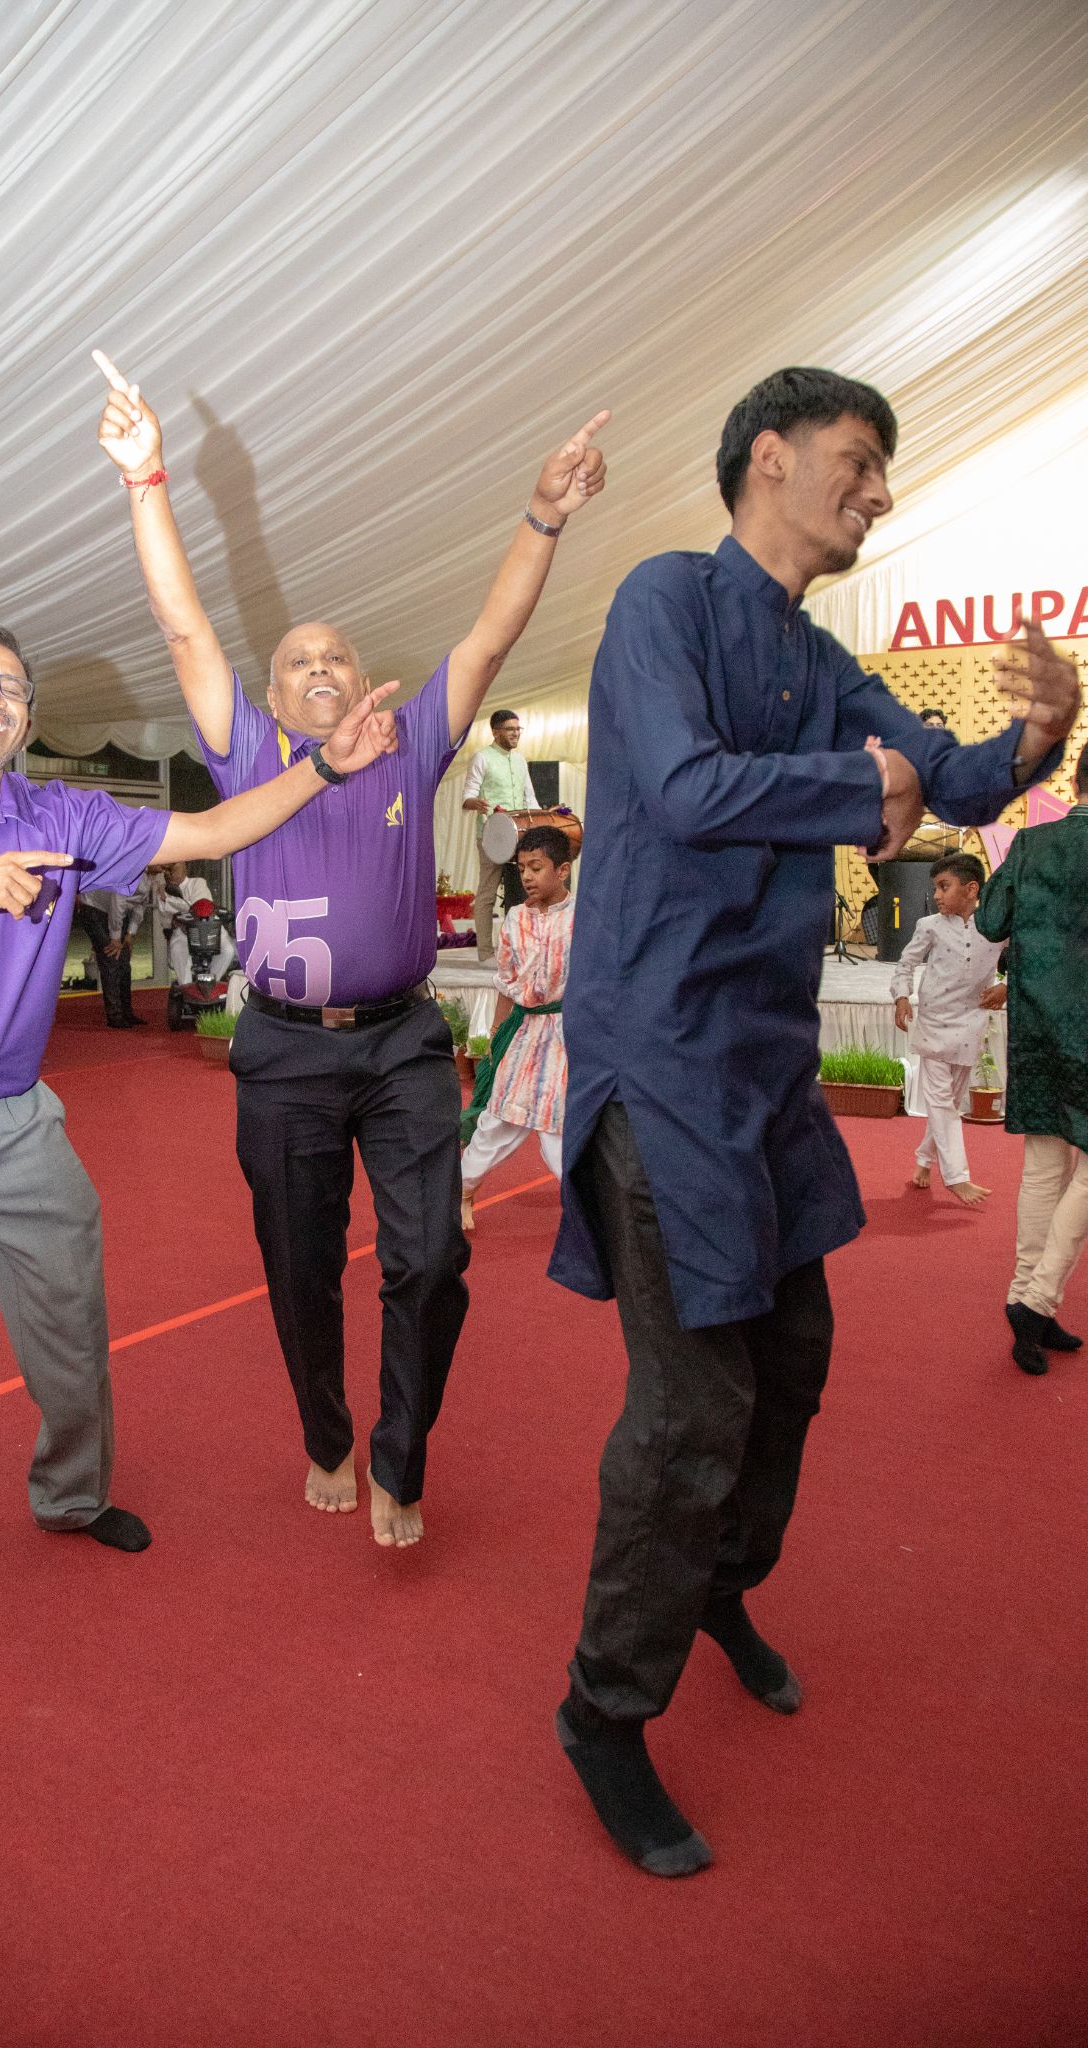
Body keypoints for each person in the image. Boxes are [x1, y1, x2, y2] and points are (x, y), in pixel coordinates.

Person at [548, 366, 1081, 1877]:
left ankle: (717, 1581)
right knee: (690, 1405)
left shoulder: (818, 653)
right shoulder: (665, 600)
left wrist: (1042, 734)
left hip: (769, 1075)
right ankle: (601, 1709)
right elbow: (687, 784)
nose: (880, 490)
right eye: (859, 461)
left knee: (793, 1363)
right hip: (658, 1064)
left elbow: (955, 775)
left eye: (885, 470)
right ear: (768, 460)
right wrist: (872, 779)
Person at [96, 349, 608, 1546]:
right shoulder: (246, 752)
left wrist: (544, 512)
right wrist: (145, 478)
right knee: (298, 1266)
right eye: (298, 662)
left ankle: (398, 1450)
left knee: (430, 1262)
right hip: (280, 1053)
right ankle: (327, 1430)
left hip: (403, 1049)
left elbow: (489, 634)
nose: (322, 669)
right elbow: (181, 625)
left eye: (338, 655)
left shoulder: (411, 739)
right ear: (272, 698)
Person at [0, 622, 397, 1599]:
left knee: (70, 1321)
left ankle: (71, 1494)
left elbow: (212, 830)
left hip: (12, 1119)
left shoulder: (62, 814)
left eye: (11, 685)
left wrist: (327, 767)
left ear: (28, 717)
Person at [975, 743, 1088, 1376]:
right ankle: (1037, 1301)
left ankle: (1027, 1305)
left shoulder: (1030, 844)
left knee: (1046, 1167)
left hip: (1040, 1024)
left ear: (1076, 778)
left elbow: (991, 922)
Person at [460, 825, 573, 1228]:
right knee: (497, 1121)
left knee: (561, 1128)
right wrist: (494, 1035)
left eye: (536, 867)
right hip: (523, 1035)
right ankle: (463, 1193)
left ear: (562, 871)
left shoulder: (583, 917)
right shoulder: (514, 919)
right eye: (522, 867)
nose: (526, 876)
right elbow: (505, 982)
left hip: (567, 1036)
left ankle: (589, 1216)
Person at [891, 852, 1005, 1206]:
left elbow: (1027, 958)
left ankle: (924, 1160)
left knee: (950, 1103)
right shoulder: (930, 926)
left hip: (971, 1023)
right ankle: (957, 1177)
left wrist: (1006, 986)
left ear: (971, 889)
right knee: (941, 1103)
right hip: (934, 1023)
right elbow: (906, 963)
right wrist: (901, 997)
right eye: (936, 888)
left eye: (944, 886)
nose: (937, 895)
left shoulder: (997, 926)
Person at [461, 709, 539, 962]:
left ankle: (517, 949)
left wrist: (542, 820)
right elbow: (467, 796)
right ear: (495, 732)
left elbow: (531, 798)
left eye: (518, 729)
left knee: (521, 893)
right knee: (487, 893)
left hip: (520, 835)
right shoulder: (482, 758)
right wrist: (476, 803)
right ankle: (485, 953)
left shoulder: (520, 761)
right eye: (510, 729)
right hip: (492, 835)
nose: (516, 734)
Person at [160, 862, 238, 989]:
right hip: (184, 932)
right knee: (178, 949)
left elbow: (197, 907)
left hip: (210, 927)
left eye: (172, 868)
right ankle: (186, 988)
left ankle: (212, 983)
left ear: (184, 866)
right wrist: (170, 904)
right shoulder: (164, 890)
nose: (169, 873)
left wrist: (169, 901)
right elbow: (166, 916)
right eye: (166, 870)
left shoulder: (197, 882)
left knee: (228, 950)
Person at [76, 884, 145, 1027]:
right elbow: (117, 901)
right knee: (111, 959)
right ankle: (115, 1016)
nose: (165, 868)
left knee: (124, 963)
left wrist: (130, 934)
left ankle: (127, 1013)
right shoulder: (133, 869)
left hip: (116, 914)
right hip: (93, 909)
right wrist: (115, 937)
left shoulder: (156, 878)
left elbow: (140, 905)